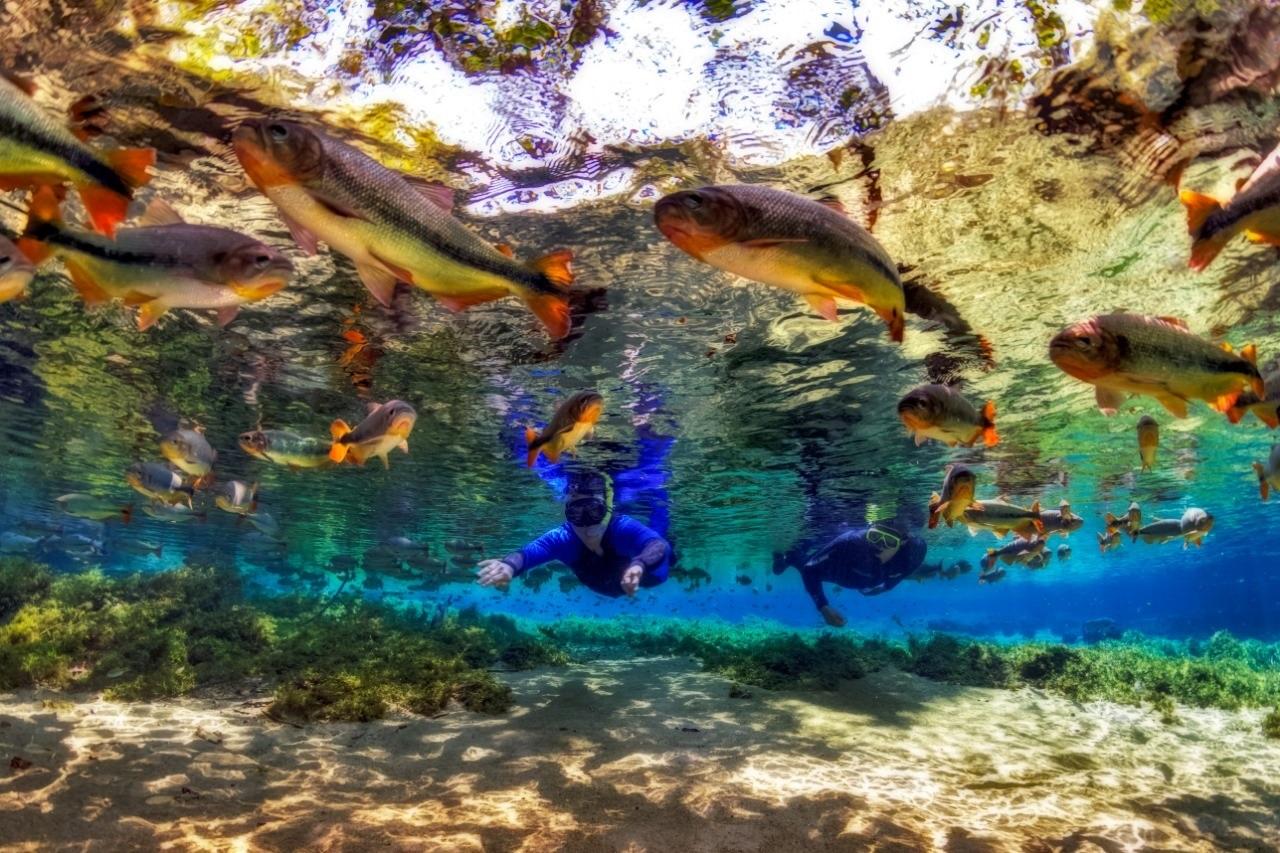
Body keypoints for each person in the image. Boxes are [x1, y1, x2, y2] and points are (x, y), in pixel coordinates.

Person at [477, 470, 671, 598]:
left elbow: (658, 545)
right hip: (605, 584)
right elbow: (526, 555)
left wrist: (639, 565)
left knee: (659, 531)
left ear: (608, 509)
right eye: (576, 513)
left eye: (594, 511)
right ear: (567, 513)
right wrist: (508, 566)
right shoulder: (563, 538)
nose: (586, 523)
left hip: (649, 577)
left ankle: (660, 501)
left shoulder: (621, 527)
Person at [773, 520, 926, 627]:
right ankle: (788, 557)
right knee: (798, 562)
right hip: (835, 572)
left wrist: (885, 588)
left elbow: (901, 574)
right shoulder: (849, 542)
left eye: (890, 542)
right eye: (874, 536)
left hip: (861, 579)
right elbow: (809, 570)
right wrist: (823, 607)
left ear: (901, 546)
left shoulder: (911, 555)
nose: (878, 545)